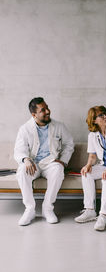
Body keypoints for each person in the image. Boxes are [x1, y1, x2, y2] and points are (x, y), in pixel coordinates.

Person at [14, 97, 74, 226]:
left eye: (47, 107)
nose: (48, 111)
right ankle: (29, 209)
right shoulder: (25, 128)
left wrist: (63, 161)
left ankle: (47, 208)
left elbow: (69, 144)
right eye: (43, 110)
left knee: (58, 169)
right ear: (34, 114)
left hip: (51, 163)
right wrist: (25, 159)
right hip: (33, 164)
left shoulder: (59, 126)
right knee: (21, 171)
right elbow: (19, 150)